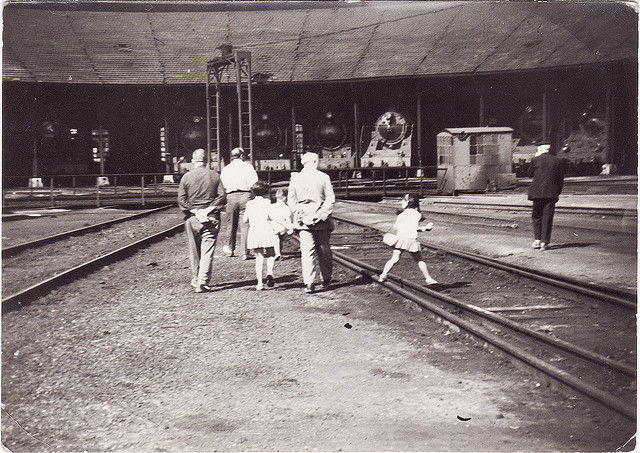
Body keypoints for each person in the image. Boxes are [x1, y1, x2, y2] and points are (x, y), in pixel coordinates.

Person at [177, 148, 227, 293]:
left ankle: (195, 278)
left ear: (193, 161)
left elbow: (181, 199)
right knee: (207, 251)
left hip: (192, 219)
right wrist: (207, 210)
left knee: (194, 251)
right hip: (211, 217)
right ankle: (202, 281)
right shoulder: (214, 175)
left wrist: (195, 210)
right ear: (206, 161)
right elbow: (222, 196)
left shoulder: (186, 177)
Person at [288, 152, 335, 293]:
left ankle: (309, 283)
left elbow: (291, 200)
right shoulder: (324, 177)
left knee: (307, 252)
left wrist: (301, 216)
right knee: (324, 250)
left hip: (303, 222)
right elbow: (330, 199)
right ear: (315, 162)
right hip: (321, 220)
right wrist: (320, 215)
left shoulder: (295, 179)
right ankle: (326, 279)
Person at [378, 193, 437, 285]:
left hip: (401, 239)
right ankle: (428, 278)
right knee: (419, 260)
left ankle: (383, 275)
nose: (401, 202)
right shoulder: (417, 214)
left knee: (394, 259)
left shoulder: (401, 214)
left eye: (403, 200)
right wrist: (425, 228)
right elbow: (415, 228)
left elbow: (395, 227)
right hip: (411, 240)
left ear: (408, 202)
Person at [220, 147, 258, 260]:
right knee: (245, 225)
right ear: (242, 156)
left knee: (231, 224)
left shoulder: (226, 169)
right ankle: (244, 253)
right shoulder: (248, 167)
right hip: (245, 196)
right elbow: (254, 183)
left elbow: (223, 183)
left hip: (231, 196)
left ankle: (230, 250)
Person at [527, 143, 566, 251]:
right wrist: (557, 192)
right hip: (551, 193)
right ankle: (545, 242)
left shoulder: (535, 160)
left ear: (540, 150)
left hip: (537, 193)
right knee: (547, 218)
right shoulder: (558, 161)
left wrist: (536, 157)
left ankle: (537, 240)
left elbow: (529, 174)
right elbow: (560, 179)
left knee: (536, 216)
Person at [243, 181, 278, 291]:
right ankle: (270, 271)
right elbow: (272, 216)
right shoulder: (267, 203)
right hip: (266, 229)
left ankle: (259, 284)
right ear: (265, 191)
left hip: (255, 230)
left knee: (259, 257)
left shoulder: (249, 204)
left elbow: (245, 220)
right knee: (271, 253)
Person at [269, 188, 294, 260]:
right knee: (281, 239)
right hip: (283, 226)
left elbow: (271, 216)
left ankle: (277, 253)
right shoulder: (286, 208)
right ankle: (279, 252)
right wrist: (289, 227)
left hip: (274, 225)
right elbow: (288, 218)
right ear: (285, 198)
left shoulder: (272, 206)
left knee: (276, 238)